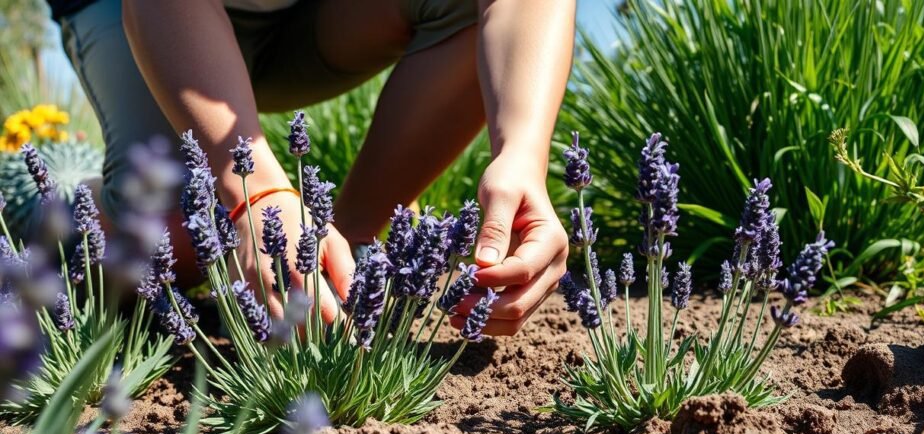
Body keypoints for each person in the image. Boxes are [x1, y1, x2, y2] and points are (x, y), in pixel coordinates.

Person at [48, 0, 573, 335]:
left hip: (310, 17)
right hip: (142, 14)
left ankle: (342, 253)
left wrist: (522, 153)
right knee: (175, 243)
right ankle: (47, 207)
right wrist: (256, 195)